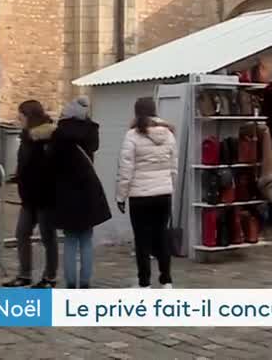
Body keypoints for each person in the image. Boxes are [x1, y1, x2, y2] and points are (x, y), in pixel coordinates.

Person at [116, 97, 177, 289]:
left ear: (136, 112)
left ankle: (144, 283)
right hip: (163, 194)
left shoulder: (132, 136)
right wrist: (169, 186)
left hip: (140, 197)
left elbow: (126, 170)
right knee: (162, 235)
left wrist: (121, 196)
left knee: (141, 239)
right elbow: (173, 167)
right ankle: (166, 280)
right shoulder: (169, 135)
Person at [51, 96, 112, 289]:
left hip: (65, 192)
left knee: (70, 241)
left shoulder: (58, 134)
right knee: (86, 239)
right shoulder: (91, 131)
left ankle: (70, 282)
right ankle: (85, 282)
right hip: (87, 190)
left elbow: (52, 164)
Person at [5, 100, 58, 288]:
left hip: (45, 196)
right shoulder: (26, 137)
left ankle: (49, 277)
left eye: (21, 115)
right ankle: (24, 274)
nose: (18, 118)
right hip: (28, 197)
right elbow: (24, 164)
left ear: (29, 116)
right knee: (21, 233)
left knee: (47, 237)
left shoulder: (48, 138)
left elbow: (51, 167)